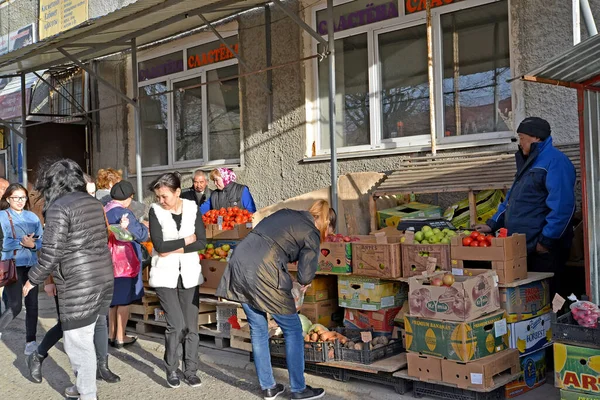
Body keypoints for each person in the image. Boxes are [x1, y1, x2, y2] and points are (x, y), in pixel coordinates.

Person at [216, 200, 336, 400]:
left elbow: (270, 242)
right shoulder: (311, 232)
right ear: (326, 223)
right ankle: (299, 389)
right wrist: (302, 282)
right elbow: (305, 275)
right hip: (264, 271)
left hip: (239, 263)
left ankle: (269, 387)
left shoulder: (286, 213)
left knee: (258, 329)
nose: (327, 235)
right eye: (329, 231)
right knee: (293, 330)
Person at [23, 159, 114, 400]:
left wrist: (33, 279)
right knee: (86, 336)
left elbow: (51, 251)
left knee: (78, 343)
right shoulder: (94, 203)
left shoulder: (58, 207)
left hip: (78, 282)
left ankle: (87, 394)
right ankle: (81, 385)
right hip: (102, 276)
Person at [474, 117, 576, 299]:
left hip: (544, 249)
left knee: (549, 297)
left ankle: (554, 326)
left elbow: (563, 207)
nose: (519, 143)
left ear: (536, 138)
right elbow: (512, 201)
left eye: (521, 137)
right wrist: (492, 224)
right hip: (524, 246)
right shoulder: (529, 163)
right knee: (530, 300)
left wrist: (546, 242)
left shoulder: (555, 162)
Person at [148, 172, 206, 388]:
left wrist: (175, 246)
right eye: (158, 197)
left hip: (190, 274)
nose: (161, 201)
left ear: (177, 192)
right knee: (176, 325)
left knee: (191, 327)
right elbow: (160, 247)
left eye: (165, 196)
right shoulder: (155, 211)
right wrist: (184, 241)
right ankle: (171, 368)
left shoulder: (192, 207)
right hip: (164, 275)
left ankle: (191, 370)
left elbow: (201, 242)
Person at [0, 183, 43, 355]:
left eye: (23, 197)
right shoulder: (2, 216)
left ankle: (30, 341)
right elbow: (2, 242)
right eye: (15, 197)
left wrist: (33, 245)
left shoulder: (33, 217)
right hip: (12, 265)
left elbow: (42, 241)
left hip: (32, 265)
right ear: (8, 199)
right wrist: (21, 242)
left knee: (33, 305)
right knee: (16, 306)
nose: (19, 201)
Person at [105, 180, 149, 348]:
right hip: (123, 262)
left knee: (113, 300)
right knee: (124, 300)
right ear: (129, 197)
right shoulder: (124, 213)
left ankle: (111, 335)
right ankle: (121, 337)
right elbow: (141, 235)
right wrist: (144, 228)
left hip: (107, 261)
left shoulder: (104, 210)